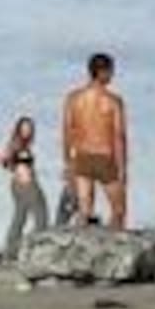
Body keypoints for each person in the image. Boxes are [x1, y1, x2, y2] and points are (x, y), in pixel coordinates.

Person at [63, 53, 128, 230]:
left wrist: (68, 162)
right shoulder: (113, 101)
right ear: (102, 72)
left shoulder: (73, 98)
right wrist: (122, 169)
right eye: (111, 71)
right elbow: (119, 136)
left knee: (84, 211)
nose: (113, 75)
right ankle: (115, 243)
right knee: (119, 210)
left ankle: (81, 244)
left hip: (82, 156)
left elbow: (67, 132)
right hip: (104, 158)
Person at [1, 116, 49, 260]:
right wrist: (20, 171)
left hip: (19, 185)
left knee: (19, 217)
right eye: (24, 127)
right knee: (41, 216)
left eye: (29, 128)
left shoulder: (22, 144)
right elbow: (6, 162)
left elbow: (8, 162)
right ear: (18, 128)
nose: (27, 130)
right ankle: (35, 250)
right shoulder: (16, 144)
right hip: (26, 185)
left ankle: (11, 252)